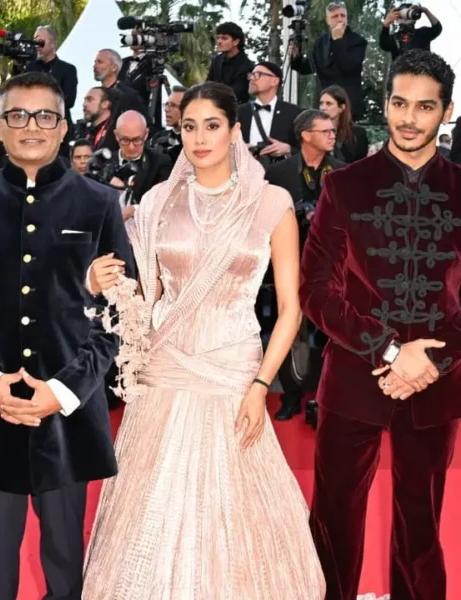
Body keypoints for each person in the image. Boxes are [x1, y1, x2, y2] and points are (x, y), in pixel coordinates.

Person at [81, 81, 324, 598]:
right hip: (165, 372)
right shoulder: (157, 202)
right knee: (154, 506)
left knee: (232, 508)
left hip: (234, 373)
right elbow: (144, 295)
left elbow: (291, 308)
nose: (199, 138)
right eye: (189, 127)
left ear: (234, 131)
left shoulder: (272, 203)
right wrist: (100, 281)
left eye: (212, 125)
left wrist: (261, 385)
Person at [0, 71, 133, 600]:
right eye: (17, 115)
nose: (32, 127)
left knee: (66, 567)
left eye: (46, 116)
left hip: (68, 415)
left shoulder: (98, 203)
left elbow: (120, 314)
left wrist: (62, 391)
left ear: (64, 126)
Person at [302, 49, 461, 600]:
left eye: (425, 106)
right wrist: (391, 351)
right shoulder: (344, 186)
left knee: (421, 530)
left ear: (446, 111)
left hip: (437, 383)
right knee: (333, 523)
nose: (409, 119)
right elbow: (315, 289)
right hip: (354, 376)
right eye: (399, 103)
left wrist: (432, 360)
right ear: (385, 103)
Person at [265, 109, 345, 423]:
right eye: (325, 131)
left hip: (332, 266)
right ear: (306, 136)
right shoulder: (278, 174)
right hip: (290, 263)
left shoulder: (342, 171)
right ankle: (291, 395)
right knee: (289, 327)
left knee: (332, 332)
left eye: (332, 130)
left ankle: (329, 396)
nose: (332, 135)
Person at [290, 1, 367, 120]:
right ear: (328, 20)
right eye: (335, 16)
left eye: (343, 15)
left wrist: (338, 41)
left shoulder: (358, 41)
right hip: (325, 105)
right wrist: (296, 57)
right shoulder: (321, 42)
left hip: (347, 106)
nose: (340, 19)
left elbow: (349, 66)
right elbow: (307, 68)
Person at [26, 25, 78, 153]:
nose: (37, 46)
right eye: (35, 41)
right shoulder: (30, 68)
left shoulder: (67, 69)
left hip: (59, 130)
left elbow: (69, 100)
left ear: (53, 43)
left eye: (41, 42)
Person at [207, 22, 255, 104]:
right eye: (218, 38)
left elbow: (236, 93)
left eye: (224, 38)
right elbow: (208, 84)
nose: (219, 41)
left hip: (237, 108)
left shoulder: (247, 66)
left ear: (236, 42)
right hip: (214, 105)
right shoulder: (216, 60)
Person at [319, 85, 369, 163]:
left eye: (328, 104)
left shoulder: (358, 133)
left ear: (341, 108)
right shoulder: (315, 132)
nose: (323, 108)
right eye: (321, 103)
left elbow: (361, 164)